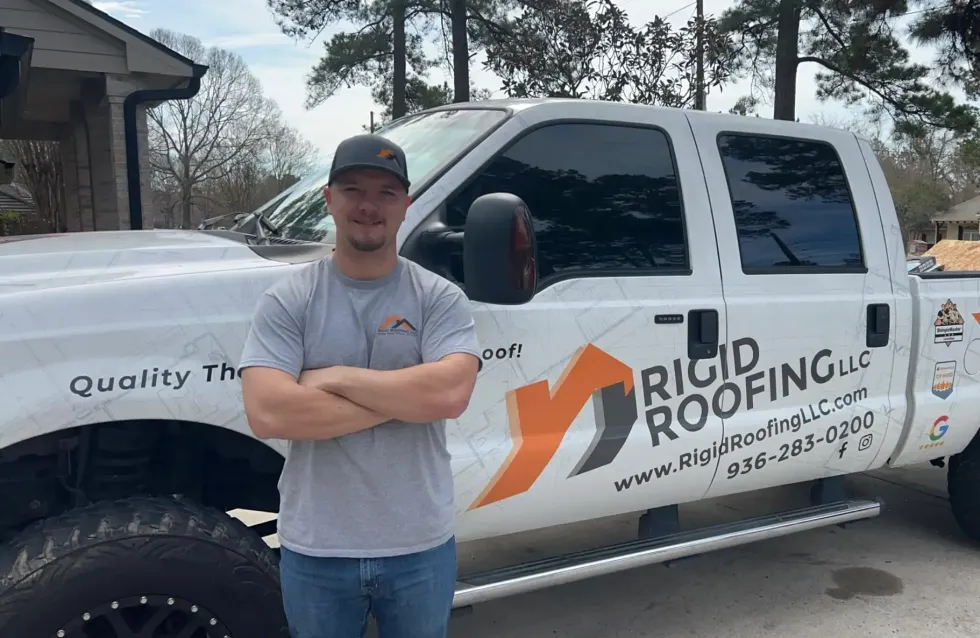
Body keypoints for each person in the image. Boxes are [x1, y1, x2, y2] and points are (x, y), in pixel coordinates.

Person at [238, 133, 482, 638]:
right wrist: (410, 397)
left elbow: (451, 395)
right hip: (317, 549)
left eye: (386, 193)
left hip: (419, 546)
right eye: (353, 190)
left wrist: (332, 379)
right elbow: (269, 413)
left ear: (406, 205)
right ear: (329, 199)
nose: (369, 206)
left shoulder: (440, 299)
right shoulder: (287, 300)